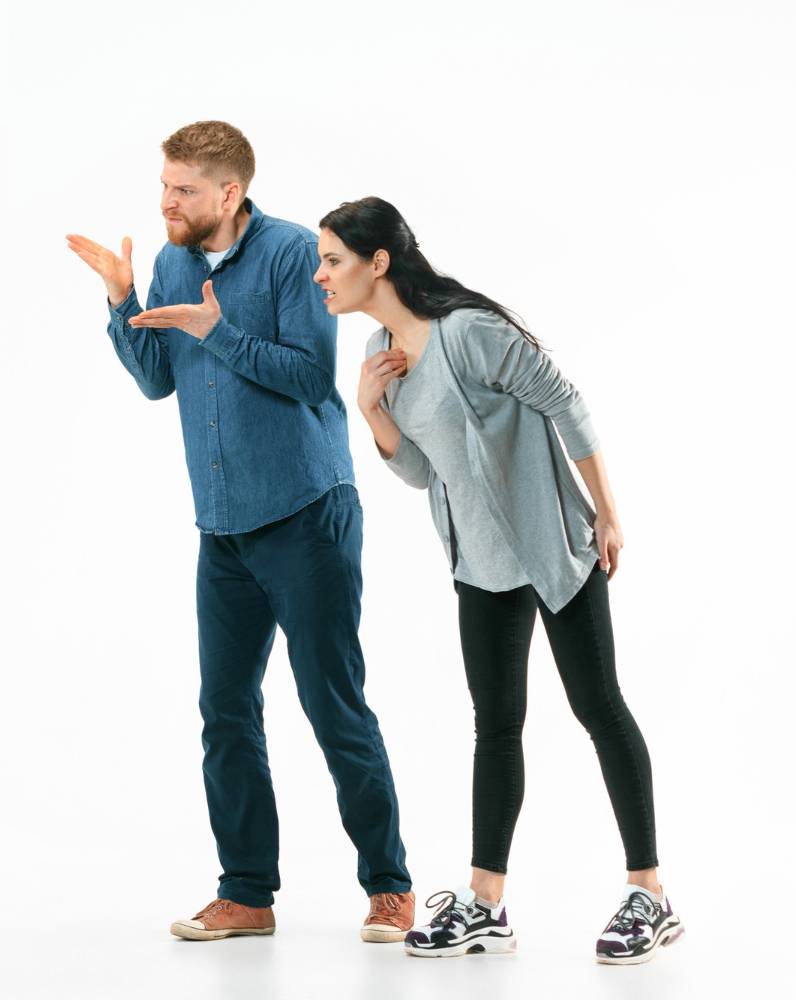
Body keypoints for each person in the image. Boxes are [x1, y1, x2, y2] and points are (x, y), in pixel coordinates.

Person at [66, 122, 413, 944]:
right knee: (225, 711)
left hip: (305, 514)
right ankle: (248, 893)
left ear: (228, 192)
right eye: (162, 187)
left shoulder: (296, 254)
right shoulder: (172, 263)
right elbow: (157, 380)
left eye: (181, 190)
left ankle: (390, 887)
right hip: (221, 527)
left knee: (332, 703)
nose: (165, 204)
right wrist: (123, 299)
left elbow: (306, 375)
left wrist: (213, 328)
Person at [314, 196, 683, 965]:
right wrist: (372, 408)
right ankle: (487, 904)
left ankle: (649, 891)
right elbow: (421, 471)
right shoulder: (385, 352)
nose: (322, 275)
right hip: (479, 566)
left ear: (377, 262)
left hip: (554, 552)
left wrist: (606, 514)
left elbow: (567, 403)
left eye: (333, 260)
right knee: (496, 728)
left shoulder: (469, 335)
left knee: (598, 709)